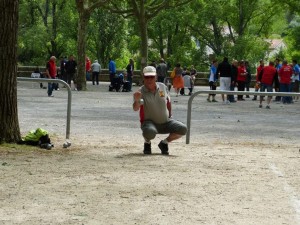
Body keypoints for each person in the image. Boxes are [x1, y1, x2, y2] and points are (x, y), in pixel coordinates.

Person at [132, 66, 187, 155]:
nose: (149, 79)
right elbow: (135, 108)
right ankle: (147, 142)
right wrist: (137, 100)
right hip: (149, 122)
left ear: (156, 77)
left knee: (183, 129)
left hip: (166, 121)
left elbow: (168, 102)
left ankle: (164, 143)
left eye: (152, 77)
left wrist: (170, 115)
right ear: (143, 77)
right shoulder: (140, 91)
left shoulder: (163, 87)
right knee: (149, 132)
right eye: (147, 77)